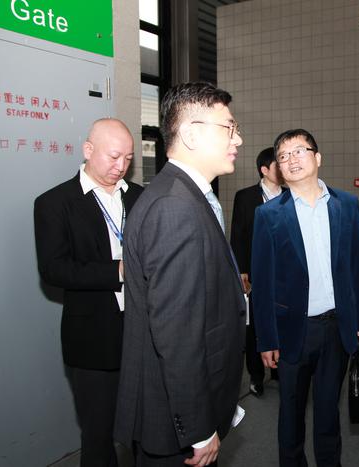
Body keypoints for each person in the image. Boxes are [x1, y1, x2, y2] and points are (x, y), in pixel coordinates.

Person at [114, 82, 246, 467]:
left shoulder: (182, 194)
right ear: (190, 134)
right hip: (174, 425)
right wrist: (199, 428)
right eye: (229, 127)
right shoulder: (175, 206)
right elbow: (176, 333)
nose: (238, 139)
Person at [251, 129, 359, 467]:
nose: (291, 159)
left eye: (299, 151)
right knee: (290, 415)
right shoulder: (268, 214)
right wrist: (266, 339)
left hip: (336, 327)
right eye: (283, 156)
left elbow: (358, 268)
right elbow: (262, 282)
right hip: (293, 330)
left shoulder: (347, 205)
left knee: (329, 412)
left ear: (317, 158)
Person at [33, 118, 143, 467]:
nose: (121, 166)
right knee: (98, 434)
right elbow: (54, 269)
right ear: (88, 150)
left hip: (143, 331)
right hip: (93, 336)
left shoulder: (141, 197)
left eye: (128, 158)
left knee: (147, 428)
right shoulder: (55, 202)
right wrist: (119, 270)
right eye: (113, 157)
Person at [230, 147, 282, 397]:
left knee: (282, 321)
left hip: (283, 275)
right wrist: (241, 270)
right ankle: (256, 376)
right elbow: (238, 235)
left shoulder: (291, 196)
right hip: (254, 273)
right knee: (255, 326)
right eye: (278, 164)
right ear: (264, 169)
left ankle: (280, 370)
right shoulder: (245, 197)